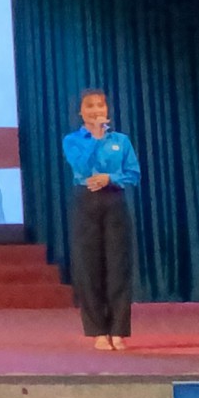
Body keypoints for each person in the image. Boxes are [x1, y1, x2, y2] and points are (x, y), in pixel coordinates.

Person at [62, 89, 140, 351]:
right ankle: (98, 331)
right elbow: (81, 167)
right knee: (89, 267)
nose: (96, 110)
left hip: (114, 201)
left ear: (107, 110)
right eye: (90, 106)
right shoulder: (72, 140)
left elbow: (133, 174)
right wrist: (95, 138)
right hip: (85, 201)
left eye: (100, 105)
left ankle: (118, 331)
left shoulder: (121, 140)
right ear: (81, 112)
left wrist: (110, 178)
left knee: (118, 266)